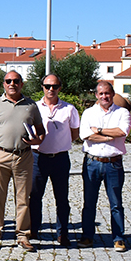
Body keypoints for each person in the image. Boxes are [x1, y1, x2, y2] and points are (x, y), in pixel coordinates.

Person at [0, 71, 45, 251]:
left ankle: (23, 236)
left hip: (24, 156)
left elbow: (41, 131)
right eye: (8, 81)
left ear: (21, 84)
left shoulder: (31, 105)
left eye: (16, 81)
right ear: (4, 84)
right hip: (1, 155)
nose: (12, 84)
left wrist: (37, 140)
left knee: (23, 198)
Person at [79, 81, 131, 250]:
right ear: (96, 95)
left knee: (116, 203)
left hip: (113, 164)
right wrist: (109, 137)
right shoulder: (88, 113)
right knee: (89, 202)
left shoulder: (122, 112)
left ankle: (118, 238)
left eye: (107, 93)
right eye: (101, 94)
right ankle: (87, 236)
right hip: (92, 162)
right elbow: (85, 135)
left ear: (113, 94)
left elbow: (122, 132)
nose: (104, 97)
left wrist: (99, 130)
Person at [29, 74, 80, 245]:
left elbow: (74, 133)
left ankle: (62, 233)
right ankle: (33, 231)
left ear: (60, 87)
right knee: (35, 196)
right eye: (48, 86)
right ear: (42, 87)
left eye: (55, 86)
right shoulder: (34, 107)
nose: (51, 89)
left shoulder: (69, 109)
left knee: (62, 198)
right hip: (38, 157)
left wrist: (60, 143)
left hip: (60, 158)